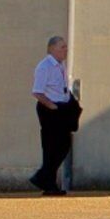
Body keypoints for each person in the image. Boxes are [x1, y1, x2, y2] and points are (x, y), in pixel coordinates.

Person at [29, 36, 79, 196]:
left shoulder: (60, 65)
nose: (65, 50)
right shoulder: (44, 67)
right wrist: (53, 107)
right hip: (50, 109)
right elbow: (37, 92)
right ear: (51, 49)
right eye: (62, 47)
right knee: (52, 146)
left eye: (65, 47)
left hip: (61, 107)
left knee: (63, 145)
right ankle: (46, 181)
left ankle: (45, 179)